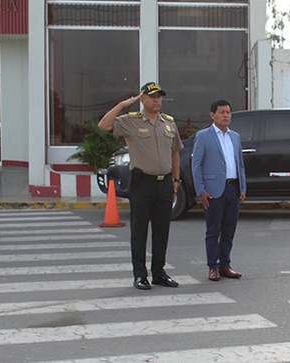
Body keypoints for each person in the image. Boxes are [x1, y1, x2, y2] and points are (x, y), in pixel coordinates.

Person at [98, 82, 183, 290]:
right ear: (142, 99)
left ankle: (159, 272)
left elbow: (175, 153)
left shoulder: (169, 123)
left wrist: (176, 181)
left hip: (164, 183)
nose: (157, 100)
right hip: (142, 183)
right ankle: (140, 274)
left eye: (159, 97)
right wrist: (121, 105)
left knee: (162, 230)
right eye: (152, 97)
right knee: (139, 230)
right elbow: (103, 125)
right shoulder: (131, 121)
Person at [191, 100, 246, 282]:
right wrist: (201, 190)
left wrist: (242, 187)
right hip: (213, 190)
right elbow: (196, 165)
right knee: (213, 230)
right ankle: (212, 267)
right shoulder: (203, 136)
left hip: (233, 188)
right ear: (212, 115)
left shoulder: (234, 137)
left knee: (229, 230)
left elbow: (240, 164)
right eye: (221, 112)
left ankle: (225, 264)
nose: (225, 115)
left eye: (228, 112)